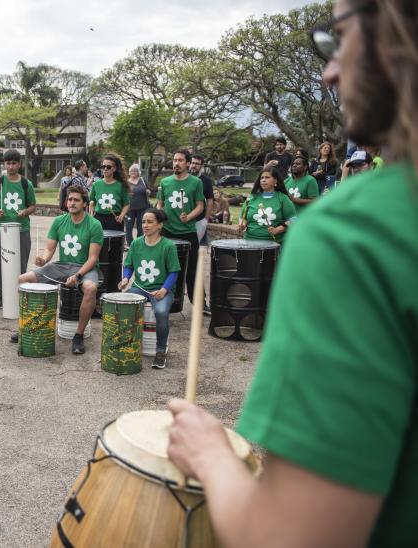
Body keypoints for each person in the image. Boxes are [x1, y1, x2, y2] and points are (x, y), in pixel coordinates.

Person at [168, 0, 418, 543]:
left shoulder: (354, 234)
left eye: (338, 38)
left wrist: (211, 456)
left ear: (398, 31)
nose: (329, 70)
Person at [17, 185, 101, 354]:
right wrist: (44, 259)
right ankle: (25, 326)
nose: (72, 203)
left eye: (76, 200)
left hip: (84, 267)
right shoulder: (58, 221)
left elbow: (93, 259)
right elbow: (50, 249)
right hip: (62, 265)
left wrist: (78, 276)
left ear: (84, 203)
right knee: (23, 279)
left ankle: (78, 335)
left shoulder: (94, 224)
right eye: (69, 199)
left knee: (91, 288)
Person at [119, 208, 180, 369]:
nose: (145, 225)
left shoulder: (168, 246)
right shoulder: (136, 243)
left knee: (160, 312)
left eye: (150, 222)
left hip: (161, 290)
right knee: (124, 307)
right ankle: (127, 345)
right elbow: (129, 265)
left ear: (160, 225)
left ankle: (160, 351)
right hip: (139, 288)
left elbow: (174, 272)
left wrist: (164, 290)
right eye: (144, 221)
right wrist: (126, 278)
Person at [0, 149, 37, 310]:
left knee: (21, 264)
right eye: (8, 163)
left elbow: (32, 206)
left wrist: (25, 212)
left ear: (19, 164)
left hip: (22, 229)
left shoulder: (26, 184)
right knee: (0, 264)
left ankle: (19, 294)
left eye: (14, 163)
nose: (11, 166)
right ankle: (1, 295)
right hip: (1, 229)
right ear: (4, 164)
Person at [156, 150, 205, 308]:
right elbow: (160, 204)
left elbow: (200, 205)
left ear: (188, 163)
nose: (176, 163)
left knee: (192, 270)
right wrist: (161, 216)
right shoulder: (165, 182)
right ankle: (166, 300)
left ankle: (199, 302)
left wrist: (189, 216)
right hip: (168, 231)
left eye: (180, 160)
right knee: (165, 268)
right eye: (174, 160)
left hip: (188, 231)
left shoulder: (196, 182)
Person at [238, 167, 295, 242]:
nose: (263, 180)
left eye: (267, 177)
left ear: (275, 180)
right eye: (262, 178)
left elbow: (293, 219)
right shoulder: (251, 198)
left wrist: (278, 229)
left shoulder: (283, 198)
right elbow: (242, 217)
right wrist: (242, 225)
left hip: (274, 244)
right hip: (249, 242)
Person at [88, 153, 130, 231]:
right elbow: (92, 201)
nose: (105, 169)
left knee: (115, 242)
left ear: (114, 169)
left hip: (114, 219)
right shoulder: (96, 184)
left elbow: (126, 204)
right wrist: (91, 212)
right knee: (99, 242)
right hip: (98, 218)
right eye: (103, 167)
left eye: (108, 167)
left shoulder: (120, 185)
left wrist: (121, 216)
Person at [189, 154, 215, 245]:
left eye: (197, 164)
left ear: (201, 166)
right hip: (184, 219)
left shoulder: (206, 181)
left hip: (199, 220)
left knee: (200, 248)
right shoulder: (184, 178)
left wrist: (205, 220)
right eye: (192, 163)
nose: (193, 165)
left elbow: (210, 201)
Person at [124, 163, 150, 247]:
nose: (133, 172)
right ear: (129, 172)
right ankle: (130, 245)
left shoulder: (143, 180)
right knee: (128, 227)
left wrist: (148, 192)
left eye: (135, 170)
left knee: (141, 226)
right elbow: (123, 194)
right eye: (131, 171)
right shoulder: (126, 182)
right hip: (129, 208)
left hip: (142, 207)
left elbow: (149, 190)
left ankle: (139, 244)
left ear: (138, 172)